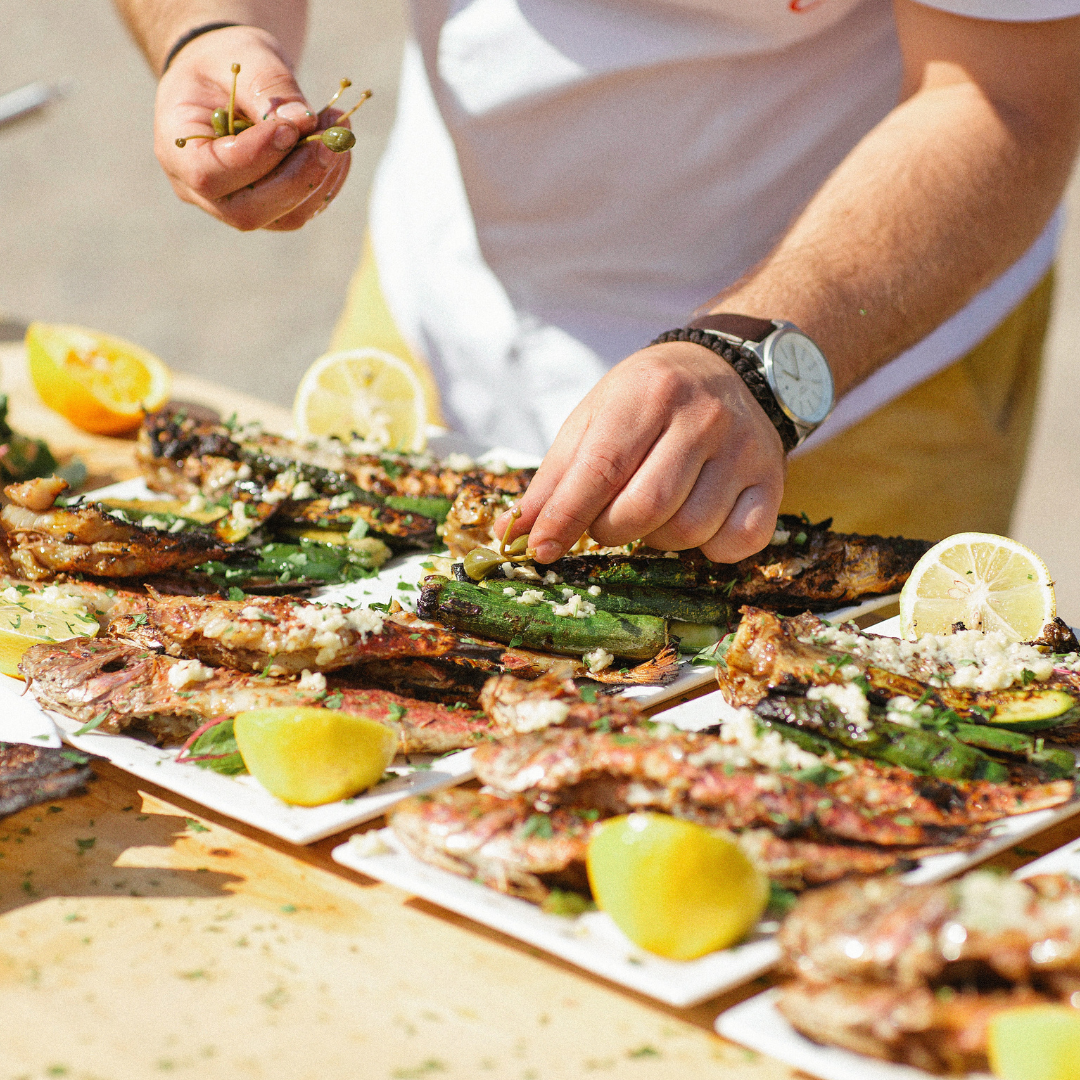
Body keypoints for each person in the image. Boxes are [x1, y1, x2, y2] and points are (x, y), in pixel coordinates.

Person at [114, 0, 1080, 564]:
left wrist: (760, 361)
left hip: (845, 356)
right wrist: (211, 31)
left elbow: (1007, 99)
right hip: (436, 293)